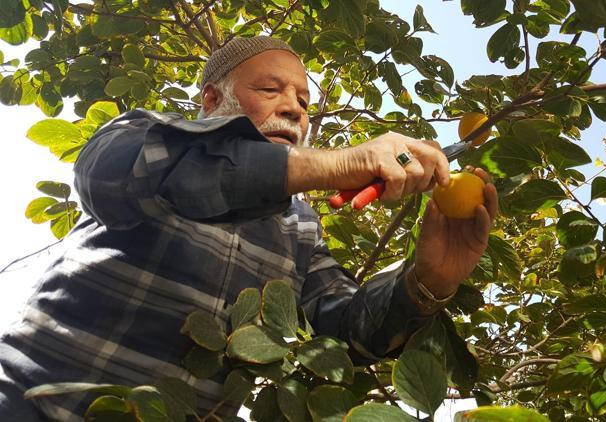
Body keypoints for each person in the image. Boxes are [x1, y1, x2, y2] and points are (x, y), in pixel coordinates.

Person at [0, 36, 498, 420]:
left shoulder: (300, 223)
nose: (294, 108)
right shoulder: (143, 133)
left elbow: (342, 333)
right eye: (270, 89)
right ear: (212, 98)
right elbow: (131, 176)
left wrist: (427, 280)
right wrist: (334, 163)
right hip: (30, 403)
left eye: (304, 101)